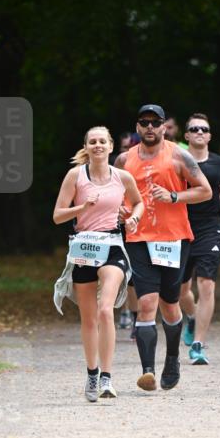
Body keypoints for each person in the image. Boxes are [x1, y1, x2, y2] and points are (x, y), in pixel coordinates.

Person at [115, 103, 211, 390]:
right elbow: (114, 193)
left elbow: (205, 191)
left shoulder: (179, 155)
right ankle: (148, 372)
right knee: (146, 303)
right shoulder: (123, 160)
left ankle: (172, 358)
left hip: (173, 239)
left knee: (170, 305)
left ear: (163, 127)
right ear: (137, 127)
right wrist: (121, 210)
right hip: (138, 239)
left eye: (155, 123)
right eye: (144, 122)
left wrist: (173, 196)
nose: (149, 127)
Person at [53, 125, 143, 401]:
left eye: (102, 141)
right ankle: (91, 373)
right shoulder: (75, 176)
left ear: (111, 146)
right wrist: (82, 208)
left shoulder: (122, 177)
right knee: (89, 318)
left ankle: (106, 377)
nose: (98, 145)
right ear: (87, 147)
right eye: (93, 142)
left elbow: (138, 203)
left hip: (113, 245)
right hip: (83, 247)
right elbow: (57, 215)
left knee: (106, 309)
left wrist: (134, 217)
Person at [180, 113, 220, 364]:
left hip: (209, 229)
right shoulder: (177, 162)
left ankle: (198, 344)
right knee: (180, 291)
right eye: (194, 129)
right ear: (186, 136)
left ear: (209, 135)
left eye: (203, 129)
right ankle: (193, 316)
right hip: (180, 229)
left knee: (206, 284)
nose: (199, 132)